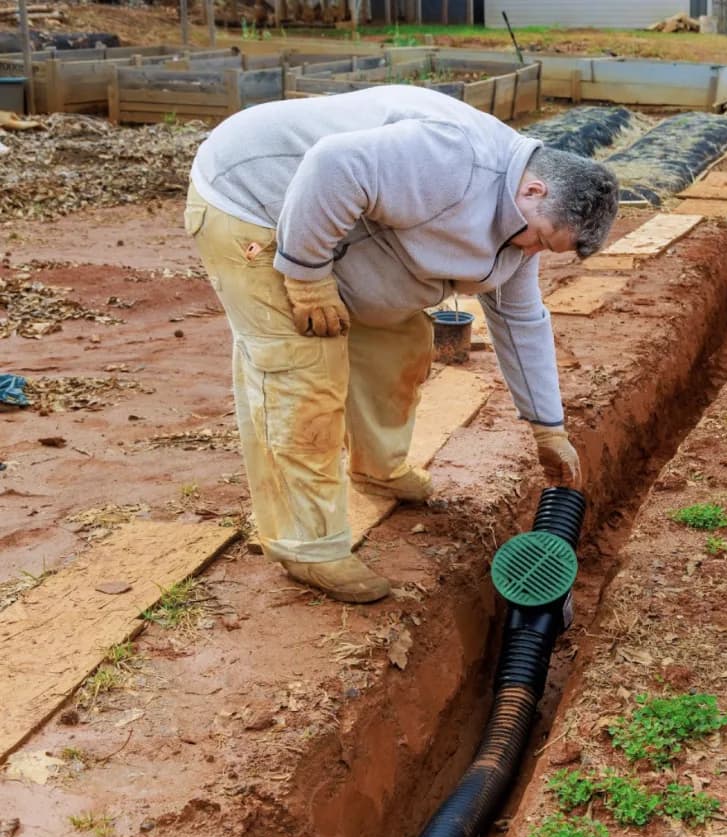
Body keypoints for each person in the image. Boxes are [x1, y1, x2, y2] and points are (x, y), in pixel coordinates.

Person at [183, 85, 619, 604]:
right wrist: (305, 276)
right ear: (534, 191)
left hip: (336, 224)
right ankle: (307, 547)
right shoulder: (455, 160)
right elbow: (332, 166)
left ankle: (377, 468)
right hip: (255, 200)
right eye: (542, 239)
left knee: (400, 336)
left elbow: (522, 320)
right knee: (302, 374)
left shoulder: (519, 228)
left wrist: (548, 427)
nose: (534, 254)